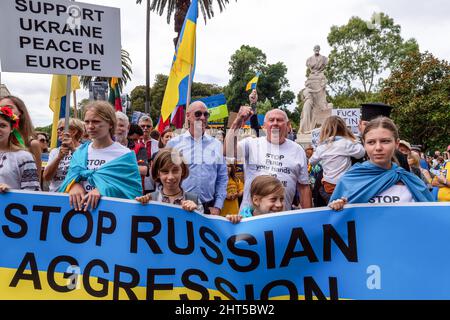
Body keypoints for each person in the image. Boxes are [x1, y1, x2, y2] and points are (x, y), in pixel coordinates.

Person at [225, 97, 312, 211]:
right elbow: (227, 150)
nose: (275, 123)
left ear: (287, 125)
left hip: (281, 218)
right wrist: (238, 120)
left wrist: (308, 216)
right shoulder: (251, 144)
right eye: (271, 120)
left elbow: (304, 187)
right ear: (265, 125)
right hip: (250, 217)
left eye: (279, 120)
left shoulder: (297, 150)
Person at [329, 117, 433, 211]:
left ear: (396, 144)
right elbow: (335, 222)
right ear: (364, 144)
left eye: (385, 141)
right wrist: (339, 207)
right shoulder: (349, 180)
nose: (378, 148)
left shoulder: (410, 180)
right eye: (371, 142)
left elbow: (431, 216)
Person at [59, 101, 142, 211]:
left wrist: (102, 190)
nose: (90, 126)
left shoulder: (125, 155)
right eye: (87, 122)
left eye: (96, 121)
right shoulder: (79, 153)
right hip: (79, 213)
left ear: (111, 124)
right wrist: (73, 186)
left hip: (111, 216)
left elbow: (132, 191)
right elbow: (69, 179)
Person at [167, 101, 228, 215]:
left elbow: (222, 178)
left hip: (209, 208)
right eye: (198, 114)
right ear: (188, 116)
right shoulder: (174, 144)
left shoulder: (216, 144)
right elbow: (164, 175)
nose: (202, 117)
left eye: (206, 114)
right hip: (179, 205)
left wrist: (218, 206)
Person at [309, 116, 365, 202]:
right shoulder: (346, 143)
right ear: (344, 128)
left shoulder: (322, 147)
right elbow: (360, 153)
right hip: (345, 184)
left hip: (328, 185)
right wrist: (356, 142)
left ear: (325, 130)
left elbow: (312, 161)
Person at [136, 148, 203, 213]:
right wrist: (141, 207)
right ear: (158, 173)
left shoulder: (194, 200)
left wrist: (196, 212)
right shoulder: (150, 199)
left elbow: (203, 223)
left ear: (182, 171)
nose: (170, 177)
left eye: (175, 171)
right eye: (165, 171)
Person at [358, 102, 410, 172]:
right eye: (366, 124)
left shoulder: (399, 157)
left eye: (385, 141)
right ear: (359, 125)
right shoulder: (351, 153)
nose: (378, 148)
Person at [0, 96, 42, 179]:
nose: (4, 111)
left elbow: (36, 179)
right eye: (1, 108)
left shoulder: (32, 144)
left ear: (20, 112)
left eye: (9, 108)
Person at [43, 118, 85, 192]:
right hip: (56, 195)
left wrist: (73, 150)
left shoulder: (85, 149)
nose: (58, 131)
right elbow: (46, 177)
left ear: (74, 131)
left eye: (62, 129)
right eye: (58, 129)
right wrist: (58, 158)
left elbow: (87, 172)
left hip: (77, 196)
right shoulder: (54, 152)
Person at [138, 115, 159, 193]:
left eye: (148, 126)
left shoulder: (158, 144)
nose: (145, 128)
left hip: (153, 182)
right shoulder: (133, 143)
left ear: (152, 128)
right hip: (137, 182)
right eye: (142, 126)